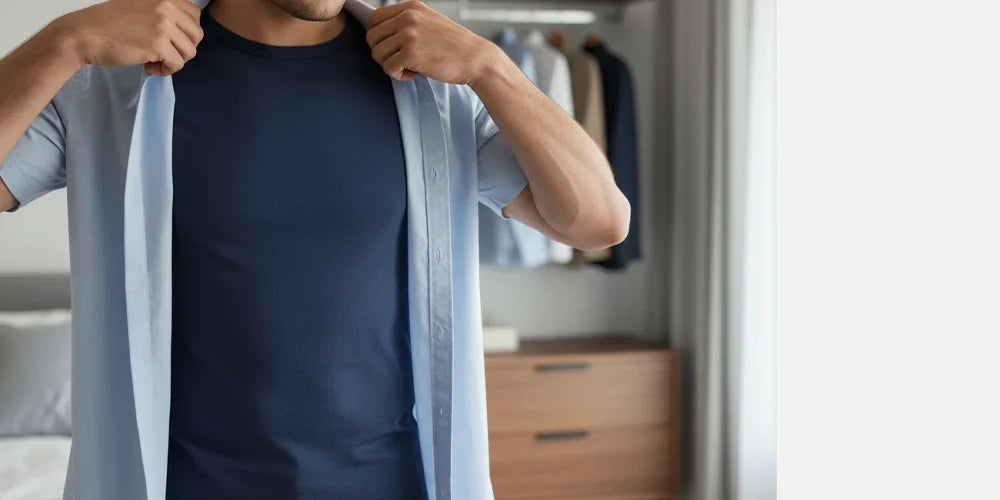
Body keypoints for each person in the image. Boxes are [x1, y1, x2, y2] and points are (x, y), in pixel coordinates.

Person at [0, 0, 629, 498]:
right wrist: (64, 41)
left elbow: (600, 221)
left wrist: (492, 67)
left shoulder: (434, 88)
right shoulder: (110, 85)